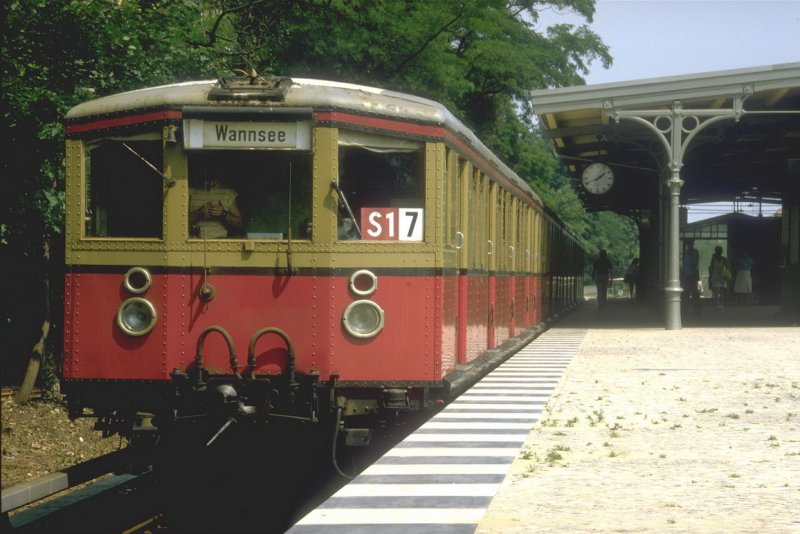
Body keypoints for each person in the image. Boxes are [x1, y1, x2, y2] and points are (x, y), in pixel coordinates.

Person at [680, 239, 701, 313]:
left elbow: (694, 263)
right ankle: (685, 309)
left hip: (693, 275)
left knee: (695, 293)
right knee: (686, 293)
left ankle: (696, 310)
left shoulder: (695, 252)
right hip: (686, 275)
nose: (688, 246)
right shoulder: (685, 253)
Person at [708, 246, 729, 310]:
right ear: (721, 252)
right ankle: (721, 305)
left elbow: (711, 268)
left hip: (715, 274)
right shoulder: (724, 259)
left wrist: (710, 276)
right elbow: (727, 267)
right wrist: (727, 275)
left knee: (716, 291)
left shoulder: (713, 258)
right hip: (722, 274)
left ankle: (717, 305)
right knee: (722, 290)